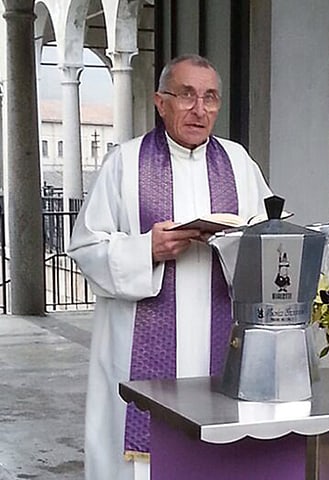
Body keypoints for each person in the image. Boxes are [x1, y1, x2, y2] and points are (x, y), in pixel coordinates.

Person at [67, 54, 273, 480]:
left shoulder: (239, 164)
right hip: (140, 350)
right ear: (161, 103)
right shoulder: (124, 163)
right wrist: (148, 250)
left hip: (219, 345)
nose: (200, 109)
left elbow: (266, 242)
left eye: (210, 97)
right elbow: (86, 247)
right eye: (187, 95)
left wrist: (236, 245)